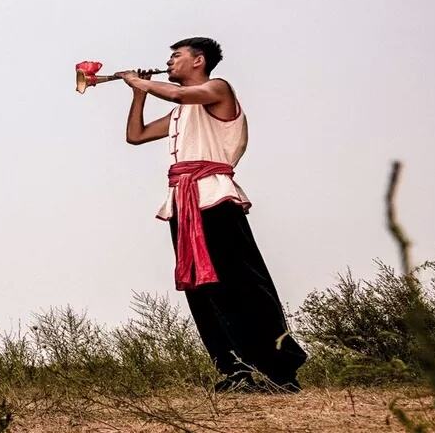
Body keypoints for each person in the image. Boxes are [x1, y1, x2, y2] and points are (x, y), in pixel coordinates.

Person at [114, 37, 307, 392]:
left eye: (176, 56)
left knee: (244, 284)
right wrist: (138, 94)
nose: (169, 62)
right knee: (202, 290)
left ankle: (281, 370)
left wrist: (140, 81)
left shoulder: (218, 88)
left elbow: (177, 94)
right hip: (183, 201)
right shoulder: (179, 112)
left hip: (215, 197)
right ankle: (235, 370)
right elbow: (135, 135)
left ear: (198, 60)